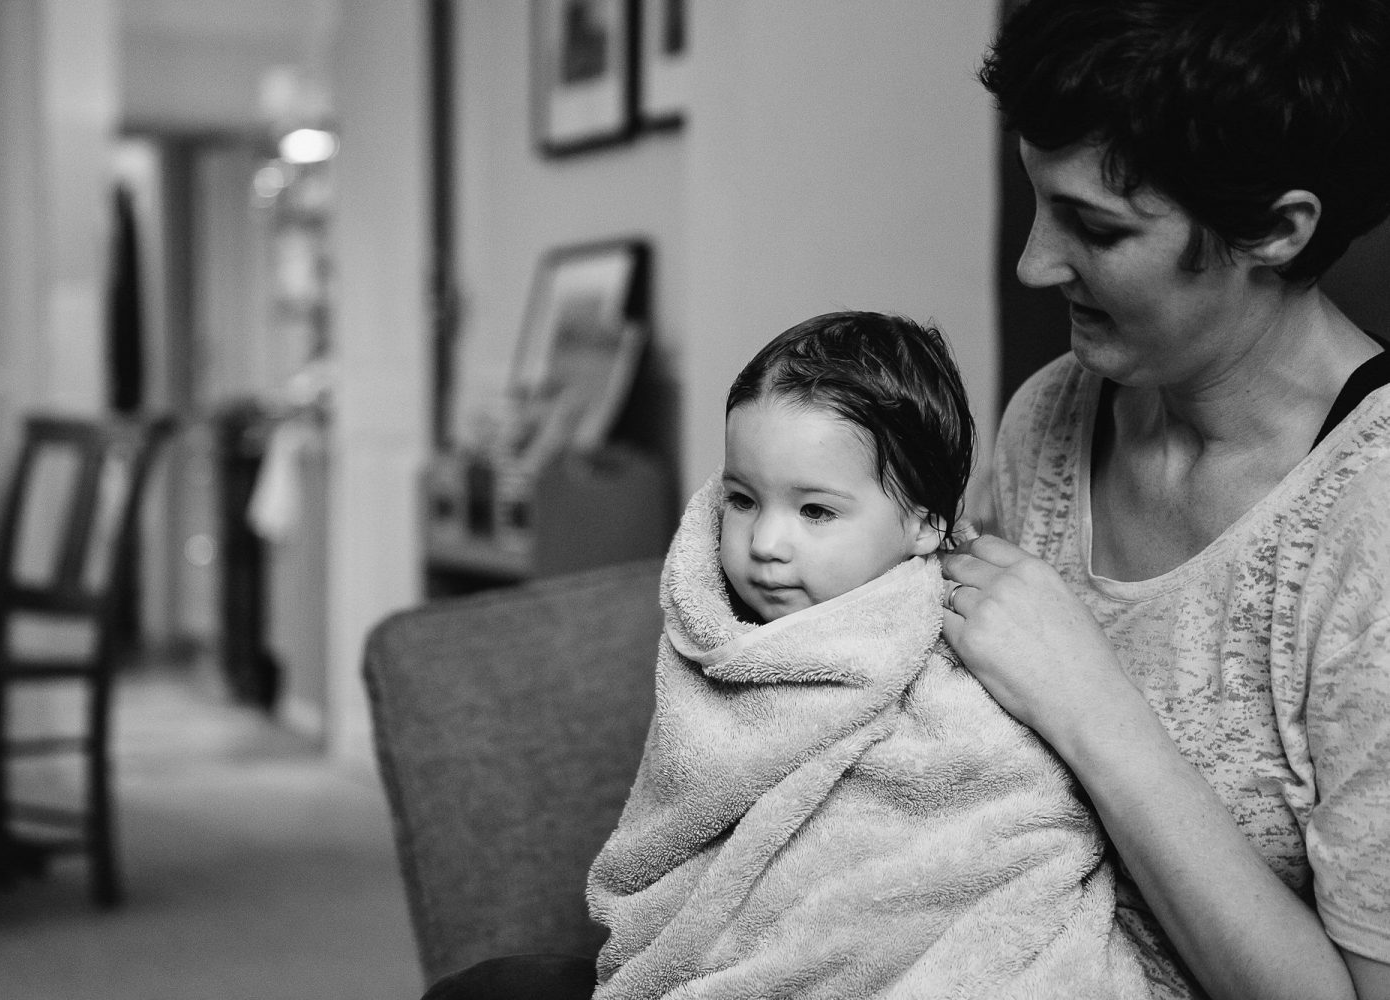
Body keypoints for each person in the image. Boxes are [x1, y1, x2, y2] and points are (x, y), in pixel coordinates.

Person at [942, 2, 1390, 999]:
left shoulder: (1373, 521)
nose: (1034, 263)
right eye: (1037, 201)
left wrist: (1093, 705)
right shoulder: (1051, 416)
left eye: (1096, 227)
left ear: (1275, 230)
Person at [585, 311, 1155, 998]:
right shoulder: (715, 635)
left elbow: (1016, 820)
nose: (766, 542)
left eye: (815, 512)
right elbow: (675, 819)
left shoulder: (962, 648)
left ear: (923, 524)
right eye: (742, 499)